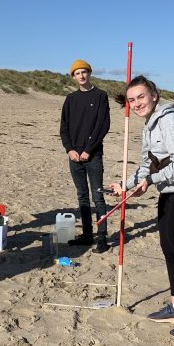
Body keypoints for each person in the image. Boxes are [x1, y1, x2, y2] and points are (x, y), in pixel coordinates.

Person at [110, 76, 174, 341]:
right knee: (169, 250)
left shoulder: (169, 121)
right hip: (168, 194)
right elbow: (148, 164)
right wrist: (125, 185)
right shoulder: (150, 124)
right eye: (132, 100)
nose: (136, 103)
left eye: (141, 97)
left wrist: (150, 181)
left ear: (154, 95)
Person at [59, 59, 111, 253]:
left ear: (89, 73)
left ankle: (102, 237)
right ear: (73, 77)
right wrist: (69, 149)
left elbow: (103, 125)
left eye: (84, 72)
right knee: (82, 196)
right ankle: (87, 235)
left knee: (98, 196)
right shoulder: (70, 99)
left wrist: (88, 149)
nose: (81, 76)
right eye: (77, 73)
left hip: (93, 155)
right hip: (74, 156)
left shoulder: (100, 96)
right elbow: (64, 127)